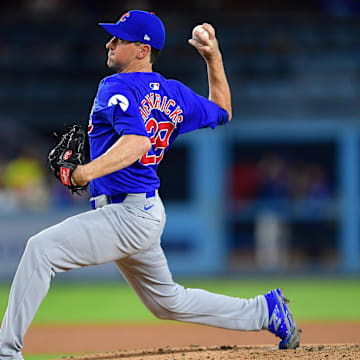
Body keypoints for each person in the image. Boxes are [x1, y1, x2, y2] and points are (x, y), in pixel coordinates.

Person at [0, 10, 300, 359]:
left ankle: (6, 352)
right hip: (143, 210)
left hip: (126, 215)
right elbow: (223, 109)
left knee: (41, 250)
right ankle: (265, 311)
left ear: (143, 50)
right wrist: (213, 58)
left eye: (119, 39)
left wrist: (84, 173)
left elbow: (138, 142)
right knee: (167, 302)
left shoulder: (115, 85)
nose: (109, 43)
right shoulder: (174, 93)